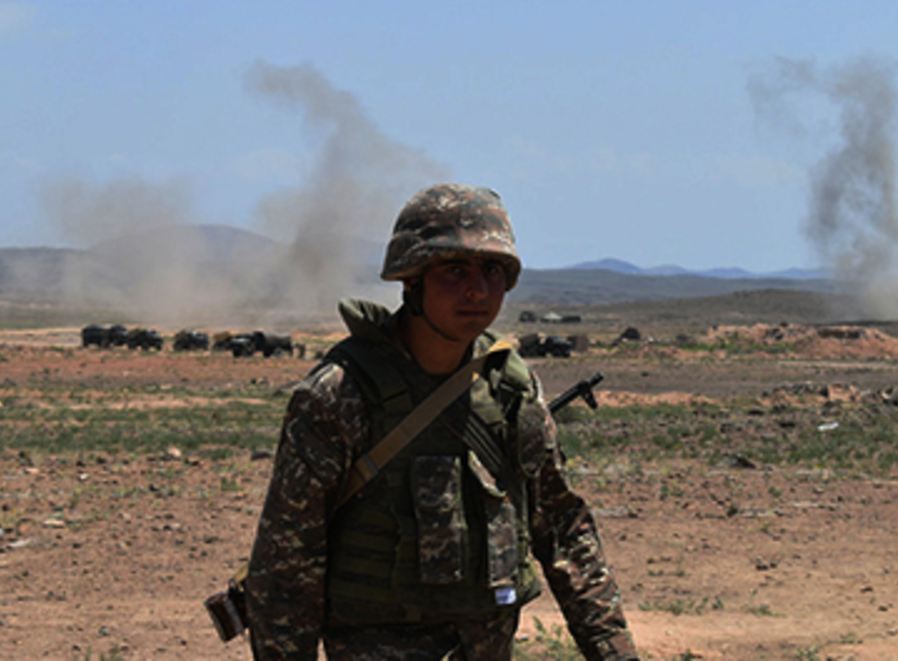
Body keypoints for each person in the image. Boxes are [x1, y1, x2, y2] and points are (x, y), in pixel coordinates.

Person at [245, 183, 639, 661]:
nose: (477, 289)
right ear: (411, 279)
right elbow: (286, 568)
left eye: (493, 270)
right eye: (454, 270)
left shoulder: (511, 389)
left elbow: (563, 531)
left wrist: (614, 652)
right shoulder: (339, 394)